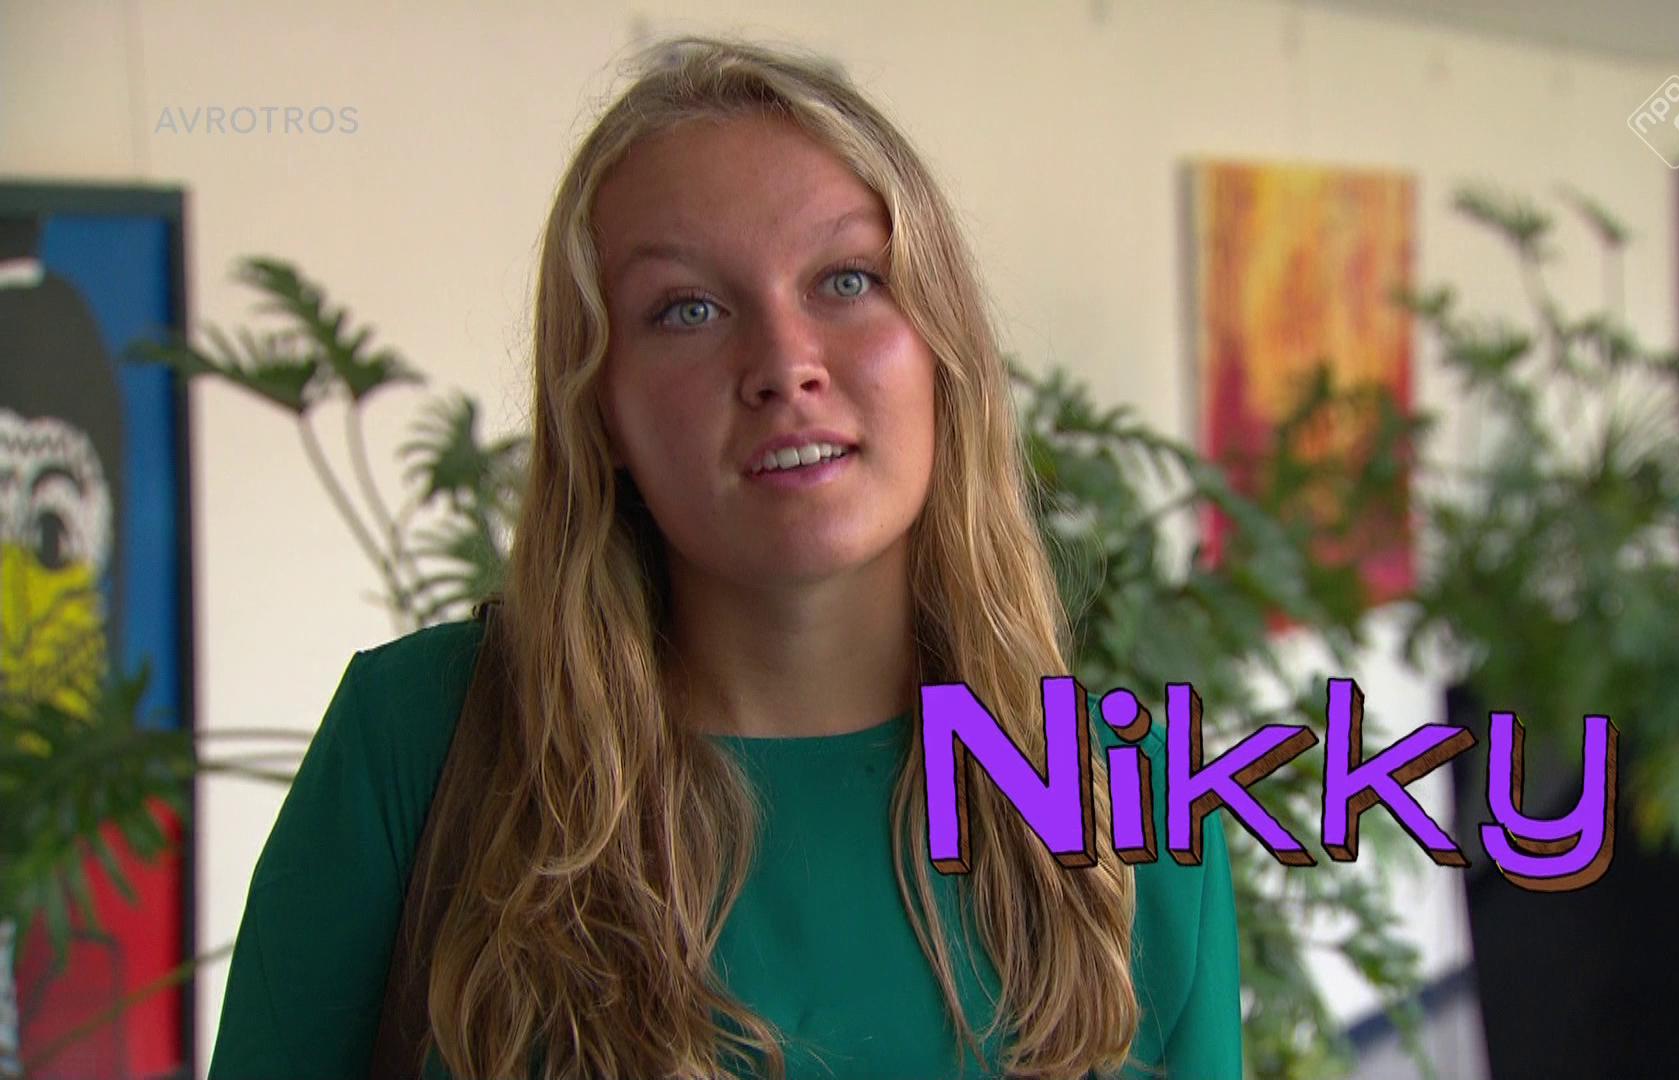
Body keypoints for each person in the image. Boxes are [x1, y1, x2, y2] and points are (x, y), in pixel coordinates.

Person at [209, 34, 1241, 1080]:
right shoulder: (420, 742)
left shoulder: (1132, 799)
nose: (785, 364)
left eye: (847, 279)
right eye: (687, 309)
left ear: (945, 349)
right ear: (599, 408)